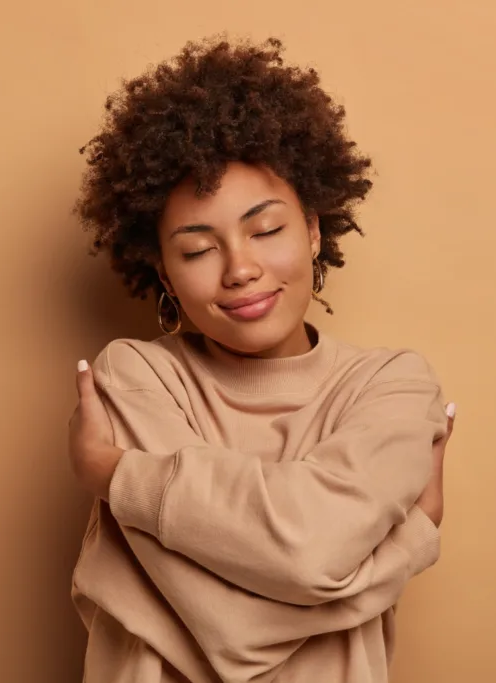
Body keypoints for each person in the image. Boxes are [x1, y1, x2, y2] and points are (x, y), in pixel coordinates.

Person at [66, 36, 456, 683]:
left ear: (314, 229)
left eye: (267, 229)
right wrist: (409, 542)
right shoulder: (136, 376)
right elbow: (230, 629)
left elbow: (306, 553)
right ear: (163, 271)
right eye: (198, 249)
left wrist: (117, 475)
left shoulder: (392, 385)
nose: (240, 269)